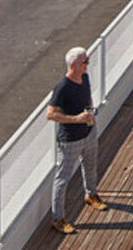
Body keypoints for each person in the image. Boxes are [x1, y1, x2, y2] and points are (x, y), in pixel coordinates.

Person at [45, 47, 106, 235]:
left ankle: (91, 195)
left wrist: (90, 113)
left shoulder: (85, 77)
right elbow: (50, 114)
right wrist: (76, 119)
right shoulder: (62, 87)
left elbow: (87, 96)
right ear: (73, 65)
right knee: (62, 179)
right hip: (70, 140)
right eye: (84, 61)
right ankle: (58, 218)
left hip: (88, 133)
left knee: (90, 165)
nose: (87, 64)